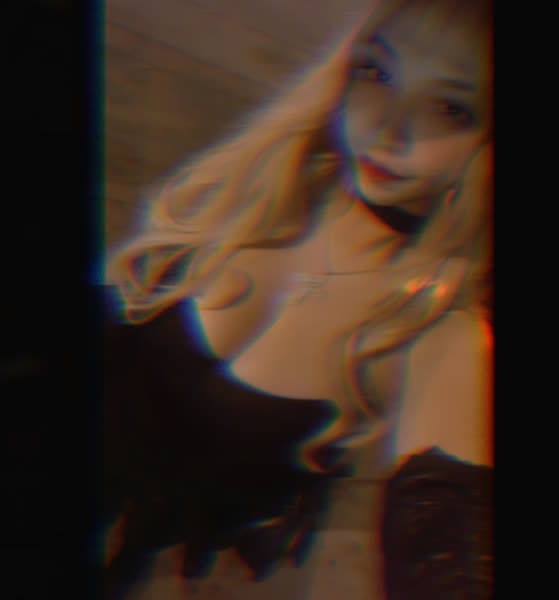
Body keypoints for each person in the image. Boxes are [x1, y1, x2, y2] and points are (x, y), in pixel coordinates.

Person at [102, 0, 493, 598]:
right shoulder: (245, 194)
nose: (387, 128)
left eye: (449, 108)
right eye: (377, 72)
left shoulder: (441, 332)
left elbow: (446, 547)